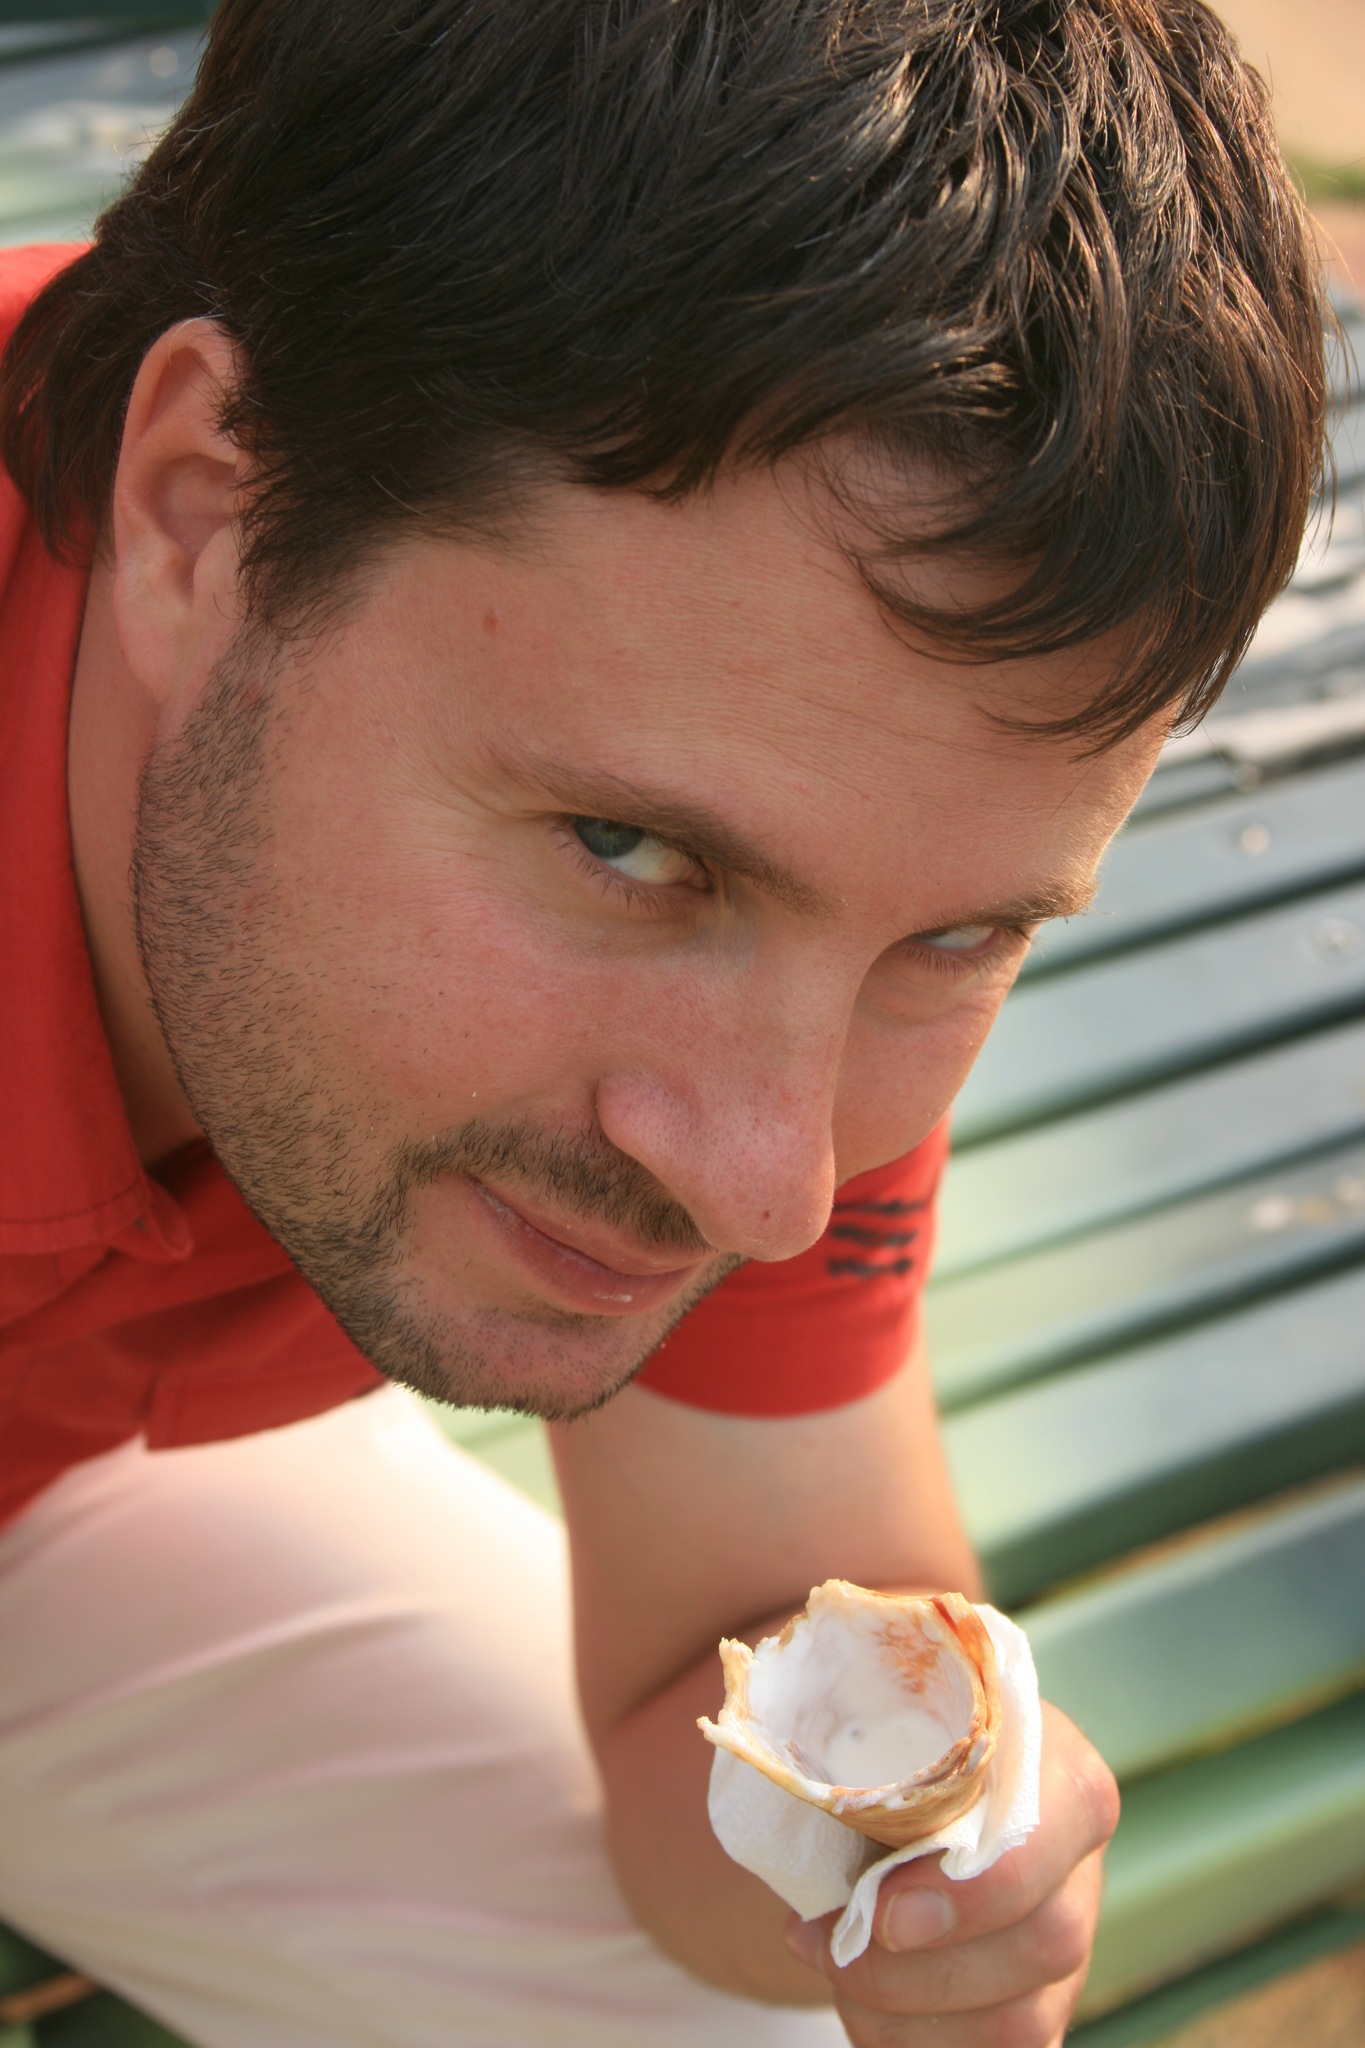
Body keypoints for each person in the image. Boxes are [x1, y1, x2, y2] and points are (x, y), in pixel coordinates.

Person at [0, 0, 1326, 2043]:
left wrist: (908, 1863)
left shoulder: (802, 925)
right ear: (202, 515)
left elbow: (711, 1681)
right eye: (629, 848)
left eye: (955, 936)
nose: (768, 1181)